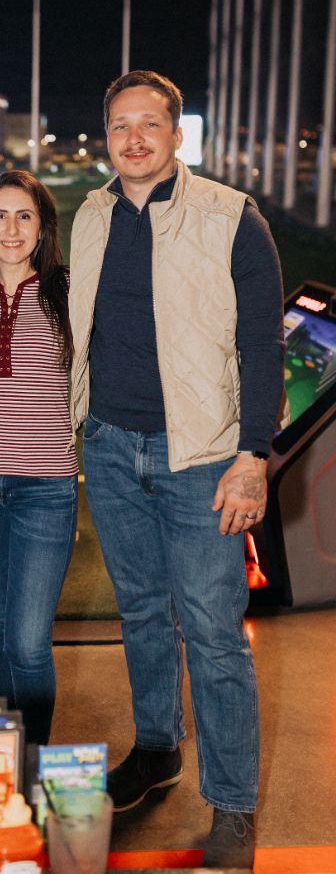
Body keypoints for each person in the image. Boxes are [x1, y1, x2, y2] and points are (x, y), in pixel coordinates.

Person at [69, 70, 284, 871]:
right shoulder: (91, 214)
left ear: (175, 134)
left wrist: (251, 458)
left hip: (202, 458)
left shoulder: (232, 217)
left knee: (216, 637)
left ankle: (231, 807)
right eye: (119, 125)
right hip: (112, 447)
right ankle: (157, 747)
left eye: (148, 125)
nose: (132, 140)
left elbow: (263, 345)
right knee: (141, 614)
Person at [0, 170, 78, 745]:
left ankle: (34, 755)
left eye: (25, 215)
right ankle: (8, 746)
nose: (11, 228)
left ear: (44, 226)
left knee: (28, 640)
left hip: (45, 491)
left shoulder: (70, 293)